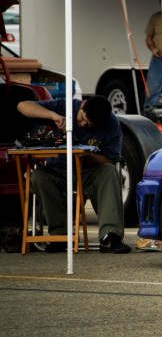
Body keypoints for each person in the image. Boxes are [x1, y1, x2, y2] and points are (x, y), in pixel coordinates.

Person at [17, 95, 131, 254]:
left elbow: (110, 160)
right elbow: (22, 105)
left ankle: (110, 236)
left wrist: (87, 154)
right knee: (38, 177)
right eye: (83, 118)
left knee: (110, 172)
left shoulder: (111, 124)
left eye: (89, 125)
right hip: (58, 171)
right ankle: (60, 234)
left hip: (88, 172)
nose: (83, 124)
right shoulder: (65, 106)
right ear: (83, 104)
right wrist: (53, 115)